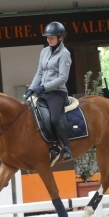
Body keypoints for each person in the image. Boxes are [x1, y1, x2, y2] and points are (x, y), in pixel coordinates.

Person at [24, 21, 73, 161]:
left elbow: (63, 78)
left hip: (57, 92)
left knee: (54, 119)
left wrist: (44, 87)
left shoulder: (65, 54)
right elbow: (39, 73)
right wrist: (31, 89)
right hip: (42, 91)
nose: (48, 40)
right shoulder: (44, 51)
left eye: (51, 37)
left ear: (60, 38)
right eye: (47, 37)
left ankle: (66, 147)